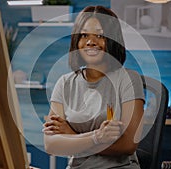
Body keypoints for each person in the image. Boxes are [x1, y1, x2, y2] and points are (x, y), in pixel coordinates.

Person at [42, 6, 145, 169]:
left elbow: (128, 145)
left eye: (100, 35)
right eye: (84, 35)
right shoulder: (65, 83)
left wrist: (71, 136)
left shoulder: (129, 80)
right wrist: (97, 137)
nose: (91, 42)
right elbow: (51, 144)